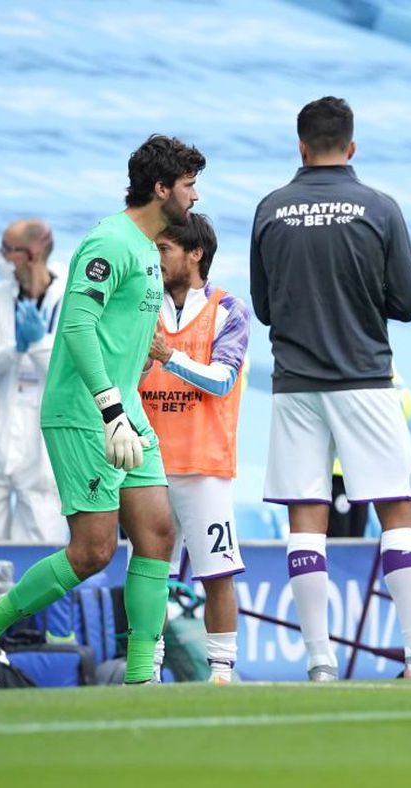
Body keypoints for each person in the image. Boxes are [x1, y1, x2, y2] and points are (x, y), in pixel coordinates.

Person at [0, 134, 204, 689]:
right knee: (93, 550)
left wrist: (127, 398)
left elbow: (122, 337)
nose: (194, 195)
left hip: (123, 410)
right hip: (85, 412)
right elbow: (78, 327)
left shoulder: (147, 247)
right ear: (161, 187)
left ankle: (141, 682)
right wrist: (111, 407)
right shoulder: (108, 242)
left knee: (158, 532)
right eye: (188, 185)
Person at [251, 96, 411, 681]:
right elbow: (409, 303)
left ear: (300, 145)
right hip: (365, 379)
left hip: (294, 384)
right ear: (352, 146)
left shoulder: (269, 209)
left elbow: (266, 309)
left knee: (305, 518)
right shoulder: (379, 207)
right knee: (397, 509)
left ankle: (320, 662)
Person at [139, 212, 249, 684]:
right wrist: (145, 365)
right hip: (148, 464)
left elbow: (223, 380)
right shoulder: (143, 304)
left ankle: (221, 672)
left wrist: (168, 357)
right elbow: (129, 376)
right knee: (147, 575)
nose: (156, 259)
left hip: (205, 465)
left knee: (217, 573)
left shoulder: (229, 309)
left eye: (164, 250)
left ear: (194, 254)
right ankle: (146, 668)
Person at [0, 219, 67, 542]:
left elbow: (71, 374)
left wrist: (36, 345)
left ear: (32, 253)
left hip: (44, 448)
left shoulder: (71, 300)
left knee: (40, 549)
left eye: (7, 249)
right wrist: (13, 348)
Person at [329, 369, 411, 538]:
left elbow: (407, 402)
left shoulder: (382, 361)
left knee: (356, 537)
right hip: (336, 472)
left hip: (363, 471)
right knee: (339, 539)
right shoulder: (333, 360)